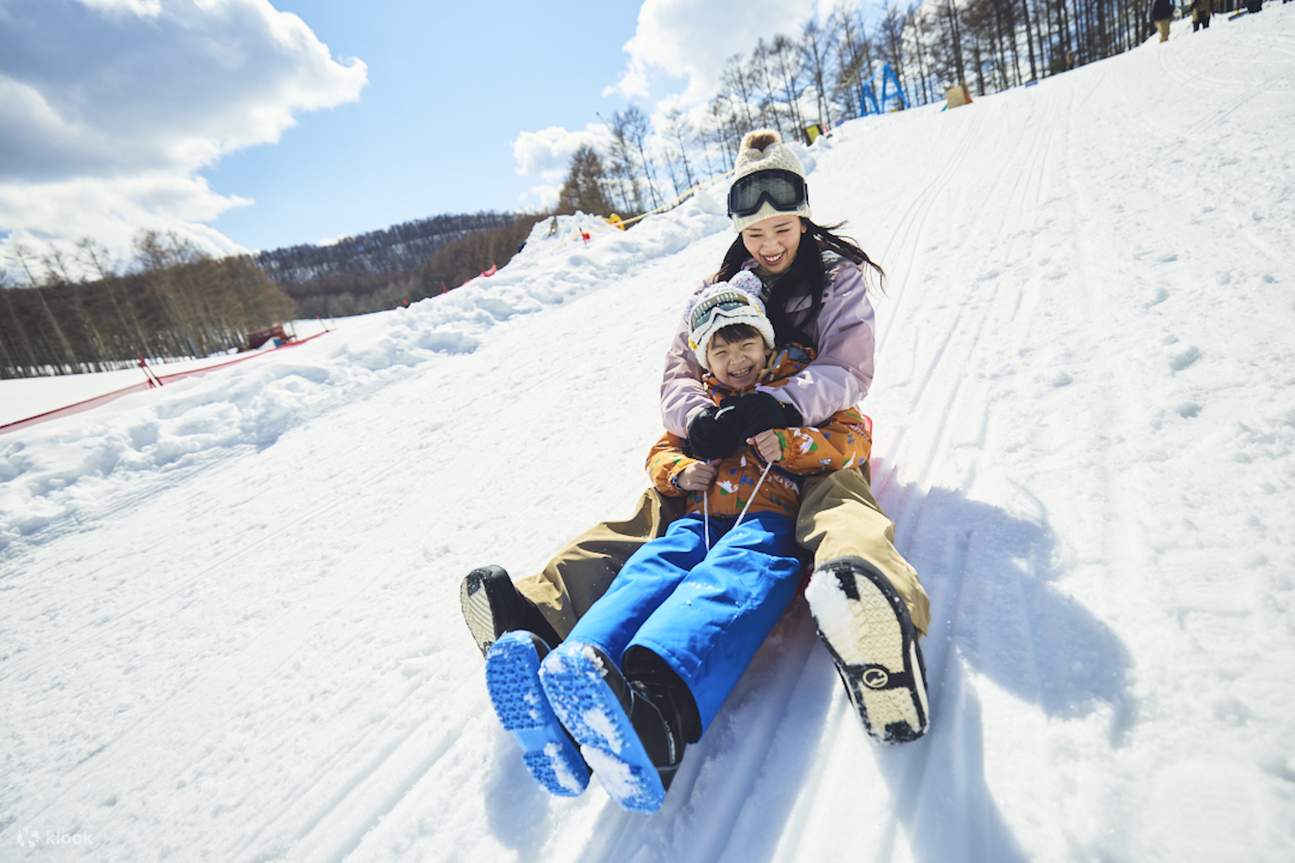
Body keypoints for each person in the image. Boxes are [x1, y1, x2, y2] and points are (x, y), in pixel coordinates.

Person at [461, 128, 931, 756]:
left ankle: (870, 607)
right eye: (754, 234)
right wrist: (699, 423)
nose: (769, 246)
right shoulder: (720, 284)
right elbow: (679, 371)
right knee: (657, 511)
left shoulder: (836, 277)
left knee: (837, 505)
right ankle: (542, 613)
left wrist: (777, 406)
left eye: (782, 230)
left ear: (802, 217)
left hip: (808, 430)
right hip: (729, 445)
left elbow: (850, 369)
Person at [486, 273, 874, 811]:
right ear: (704, 360)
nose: (737, 359)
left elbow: (853, 438)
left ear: (766, 343)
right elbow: (661, 451)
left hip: (768, 524)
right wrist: (682, 470)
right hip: (701, 521)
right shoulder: (704, 406)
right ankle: (574, 680)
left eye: (746, 343)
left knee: (727, 583)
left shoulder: (798, 388)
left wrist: (791, 442)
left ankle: (656, 715)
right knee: (649, 569)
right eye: (721, 349)